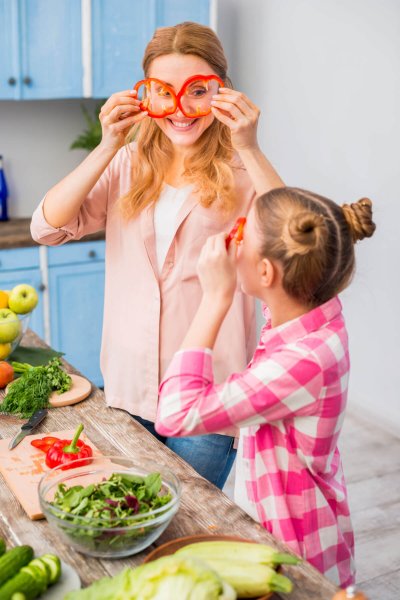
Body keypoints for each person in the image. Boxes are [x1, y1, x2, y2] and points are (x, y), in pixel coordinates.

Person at [30, 21, 284, 489]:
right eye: (165, 92)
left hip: (210, 394)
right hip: (128, 385)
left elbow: (293, 249)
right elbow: (46, 227)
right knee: (133, 516)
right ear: (146, 95)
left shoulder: (243, 171)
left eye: (198, 91)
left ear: (221, 92)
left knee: (183, 519)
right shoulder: (128, 164)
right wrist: (109, 143)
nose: (181, 110)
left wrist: (249, 146)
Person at [155, 188, 376, 587]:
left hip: (296, 553)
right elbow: (294, 245)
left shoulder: (302, 362)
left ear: (266, 274)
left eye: (242, 234)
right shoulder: (312, 312)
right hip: (302, 517)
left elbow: (176, 413)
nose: (231, 239)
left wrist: (215, 297)